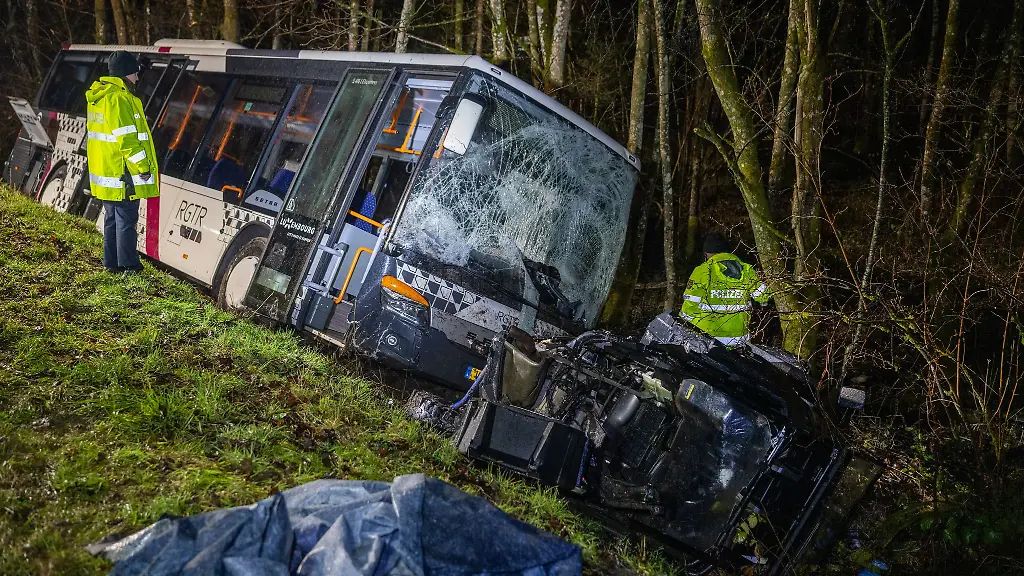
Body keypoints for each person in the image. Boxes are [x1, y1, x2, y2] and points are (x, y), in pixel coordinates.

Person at [85, 50, 159, 274]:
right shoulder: (120, 98)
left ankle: (112, 264)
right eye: (135, 73)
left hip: (107, 169)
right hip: (122, 170)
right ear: (128, 73)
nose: (137, 77)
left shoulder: (101, 96)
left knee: (111, 219)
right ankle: (129, 265)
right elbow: (127, 139)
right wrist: (143, 167)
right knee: (126, 219)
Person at [679, 232, 770, 346]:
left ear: (706, 253)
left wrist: (682, 325)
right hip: (739, 340)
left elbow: (690, 305)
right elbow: (764, 296)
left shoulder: (703, 271)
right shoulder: (746, 270)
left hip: (708, 340)